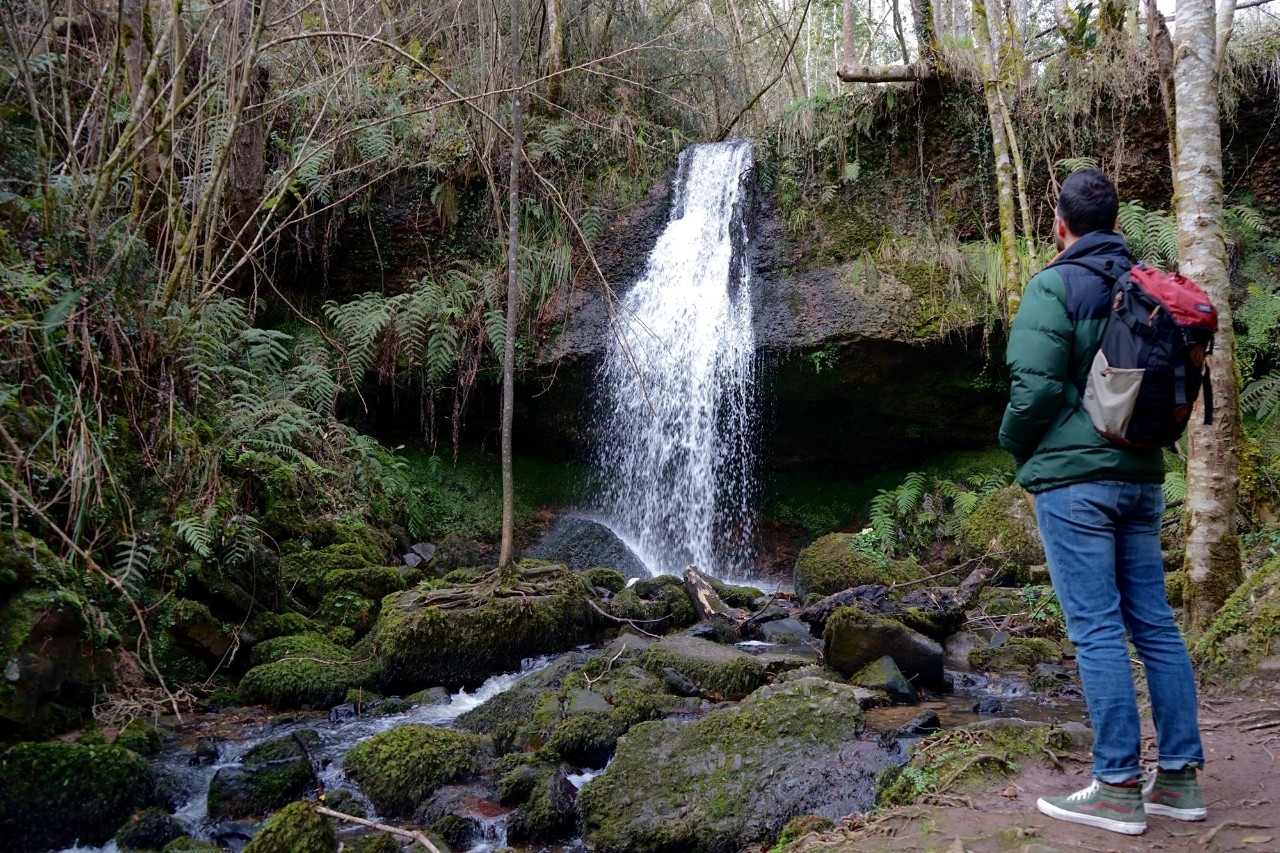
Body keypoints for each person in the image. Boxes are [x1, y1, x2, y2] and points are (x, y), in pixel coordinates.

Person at [999, 168, 1206, 836]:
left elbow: (1034, 390)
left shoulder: (1053, 285)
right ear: (1117, 222)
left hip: (1074, 484)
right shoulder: (1144, 283)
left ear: (1059, 224)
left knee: (1095, 627)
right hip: (1141, 476)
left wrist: (1014, 446)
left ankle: (1116, 786)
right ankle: (1178, 779)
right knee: (1155, 623)